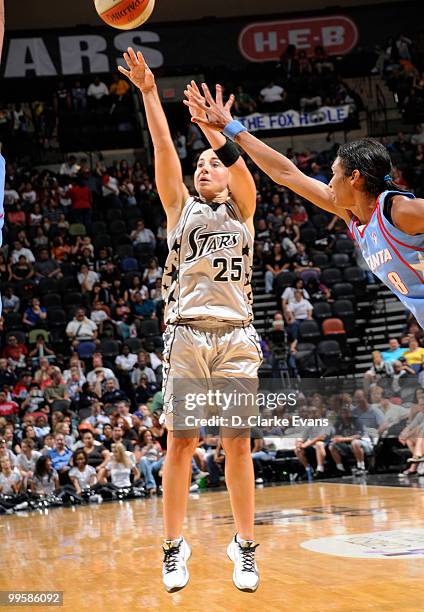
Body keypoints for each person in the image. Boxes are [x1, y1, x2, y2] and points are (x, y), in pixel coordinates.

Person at [119, 49, 261, 593]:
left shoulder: (243, 210)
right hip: (185, 334)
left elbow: (243, 171)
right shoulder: (181, 209)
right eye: (199, 162)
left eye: (212, 162)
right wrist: (151, 93)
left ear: (225, 174)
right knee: (181, 441)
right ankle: (173, 547)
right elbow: (161, 147)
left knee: (238, 443)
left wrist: (218, 133)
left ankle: (244, 548)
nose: (204, 166)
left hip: (236, 335)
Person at [185, 84, 424, 329]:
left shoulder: (399, 211)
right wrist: (231, 128)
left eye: (334, 174)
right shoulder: (352, 212)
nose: (329, 182)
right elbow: (286, 173)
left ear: (354, 177)